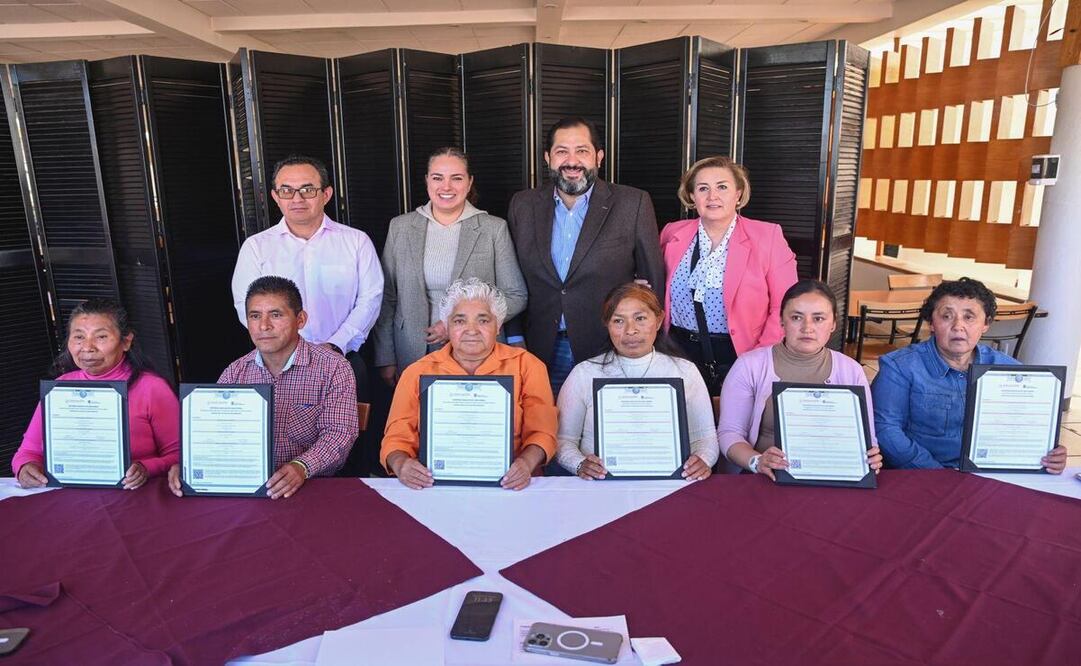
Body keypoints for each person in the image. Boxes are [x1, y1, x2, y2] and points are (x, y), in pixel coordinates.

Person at [507, 116, 665, 394]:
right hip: (539, 349)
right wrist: (515, 336)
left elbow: (653, 282)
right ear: (547, 157)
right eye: (561, 151)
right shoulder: (523, 204)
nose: (572, 161)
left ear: (598, 157)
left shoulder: (633, 203)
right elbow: (513, 277)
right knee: (548, 430)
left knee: (601, 431)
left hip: (608, 346)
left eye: (582, 151)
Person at [169, 276, 358, 499]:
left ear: (300, 320)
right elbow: (215, 434)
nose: (264, 326)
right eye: (255, 316)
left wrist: (301, 467)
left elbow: (339, 434)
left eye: (276, 315)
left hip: (313, 486)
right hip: (248, 488)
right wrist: (189, 464)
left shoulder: (334, 368)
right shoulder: (236, 371)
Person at [871, 277, 1068, 472]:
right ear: (931, 323)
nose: (958, 326)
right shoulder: (900, 367)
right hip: (923, 475)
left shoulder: (1009, 370)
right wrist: (936, 472)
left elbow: (1030, 429)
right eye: (946, 316)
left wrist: (1050, 454)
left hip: (987, 474)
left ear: (986, 324)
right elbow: (886, 429)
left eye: (969, 317)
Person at [381, 278, 557, 491]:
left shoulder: (527, 366)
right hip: (434, 485)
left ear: (498, 326)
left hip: (511, 485)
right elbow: (396, 438)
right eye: (459, 321)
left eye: (483, 320)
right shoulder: (417, 372)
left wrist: (526, 463)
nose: (471, 330)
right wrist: (402, 465)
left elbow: (543, 432)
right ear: (446, 326)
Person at [230, 154, 383, 400]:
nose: (297, 198)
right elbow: (245, 305)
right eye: (287, 190)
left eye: (308, 189)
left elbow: (370, 299)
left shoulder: (356, 241)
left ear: (326, 194)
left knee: (348, 434)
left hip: (343, 358)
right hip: (277, 363)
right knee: (279, 435)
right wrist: (285, 348)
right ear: (275, 197)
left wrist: (335, 345)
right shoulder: (256, 247)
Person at [373, 147, 527, 385]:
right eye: (437, 178)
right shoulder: (400, 227)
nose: (446, 187)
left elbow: (516, 295)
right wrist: (385, 357)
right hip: (412, 351)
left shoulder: (493, 228)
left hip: (477, 351)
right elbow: (386, 299)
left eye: (456, 178)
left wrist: (457, 324)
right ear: (427, 181)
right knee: (417, 419)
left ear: (469, 182)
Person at [660, 156, 797, 395]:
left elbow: (785, 307)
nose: (713, 196)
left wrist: (758, 359)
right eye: (703, 188)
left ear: (739, 193)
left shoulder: (767, 236)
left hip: (740, 353)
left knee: (731, 425)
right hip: (677, 351)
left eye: (722, 187)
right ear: (692, 196)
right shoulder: (673, 233)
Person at [718, 280, 883, 478]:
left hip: (833, 476)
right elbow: (729, 433)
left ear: (834, 324)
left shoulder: (852, 371)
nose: (807, 327)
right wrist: (757, 461)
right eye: (796, 317)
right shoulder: (749, 366)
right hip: (762, 478)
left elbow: (867, 438)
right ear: (782, 321)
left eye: (818, 319)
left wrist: (871, 455)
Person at [555, 283, 718, 481]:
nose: (630, 330)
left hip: (669, 485)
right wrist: (580, 464)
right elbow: (563, 440)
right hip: (600, 486)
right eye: (618, 321)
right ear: (607, 325)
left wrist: (701, 461)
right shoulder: (584, 373)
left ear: (658, 321)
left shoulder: (685, 371)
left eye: (640, 319)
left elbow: (706, 439)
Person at [13, 298, 178, 490]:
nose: (88, 347)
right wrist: (25, 467)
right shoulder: (59, 388)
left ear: (126, 341)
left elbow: (180, 454)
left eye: (101, 337)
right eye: (79, 337)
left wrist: (146, 468)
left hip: (134, 495)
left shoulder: (152, 387)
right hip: (70, 498)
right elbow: (27, 452)